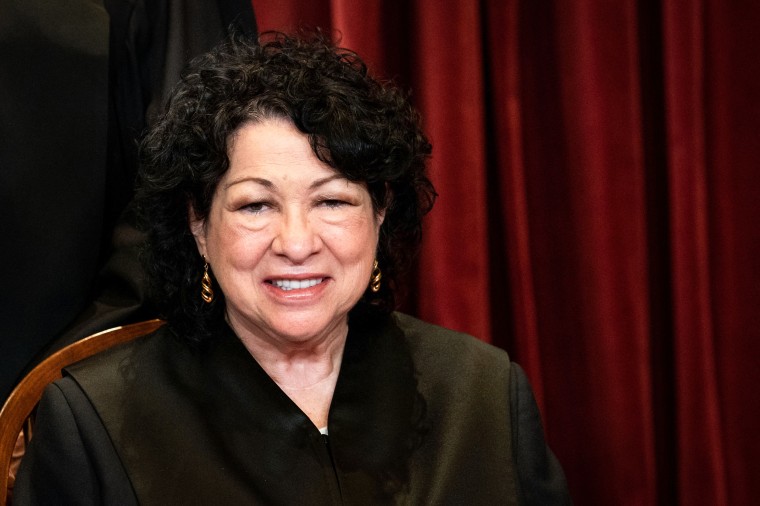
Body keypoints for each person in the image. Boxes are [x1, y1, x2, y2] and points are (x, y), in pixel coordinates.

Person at [15, 32, 571, 505]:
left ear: (380, 212)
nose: (297, 243)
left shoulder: (486, 394)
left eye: (332, 201)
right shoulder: (93, 423)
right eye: (255, 205)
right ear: (198, 226)